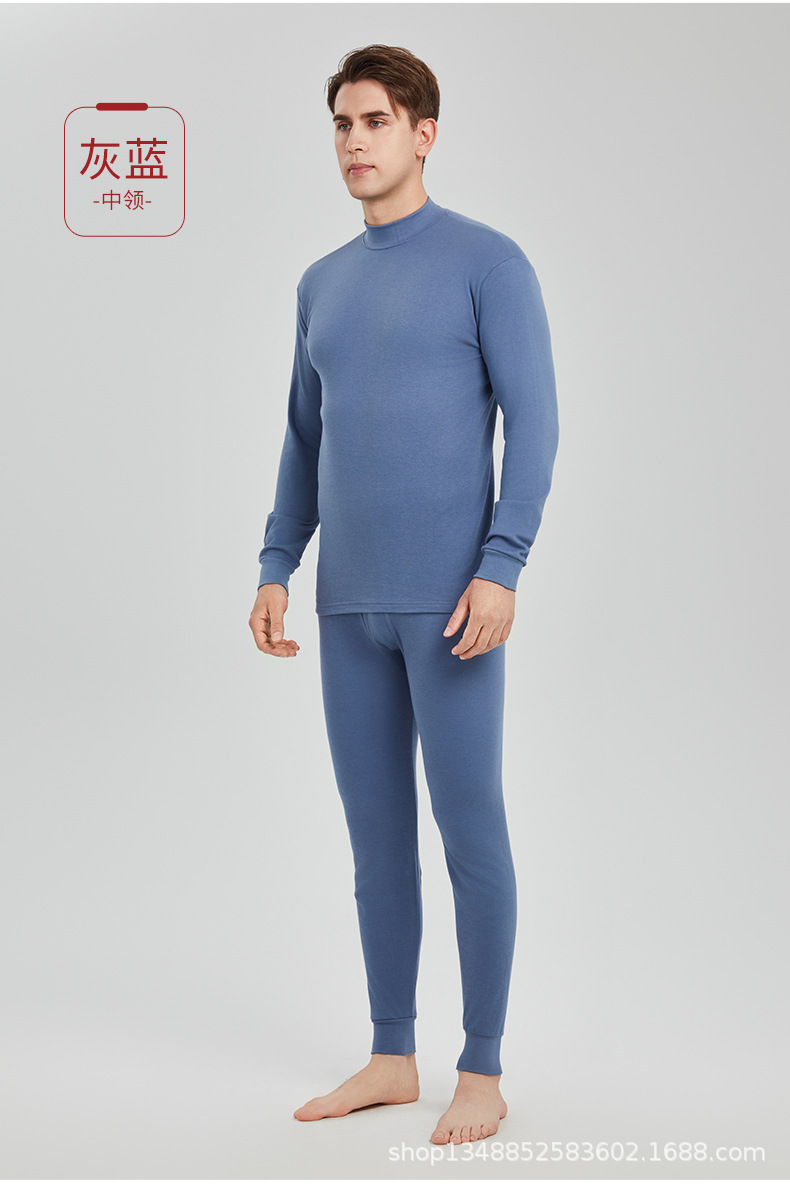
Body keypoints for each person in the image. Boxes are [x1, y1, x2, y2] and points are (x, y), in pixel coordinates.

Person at [249, 43, 559, 1146]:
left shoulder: (489, 263)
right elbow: (304, 437)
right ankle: (391, 1053)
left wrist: (502, 565)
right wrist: (276, 563)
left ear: (423, 133)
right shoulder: (320, 283)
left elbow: (536, 424)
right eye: (341, 122)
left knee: (470, 831)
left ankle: (482, 1065)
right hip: (348, 610)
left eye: (374, 120)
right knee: (376, 843)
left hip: (452, 607)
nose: (353, 140)